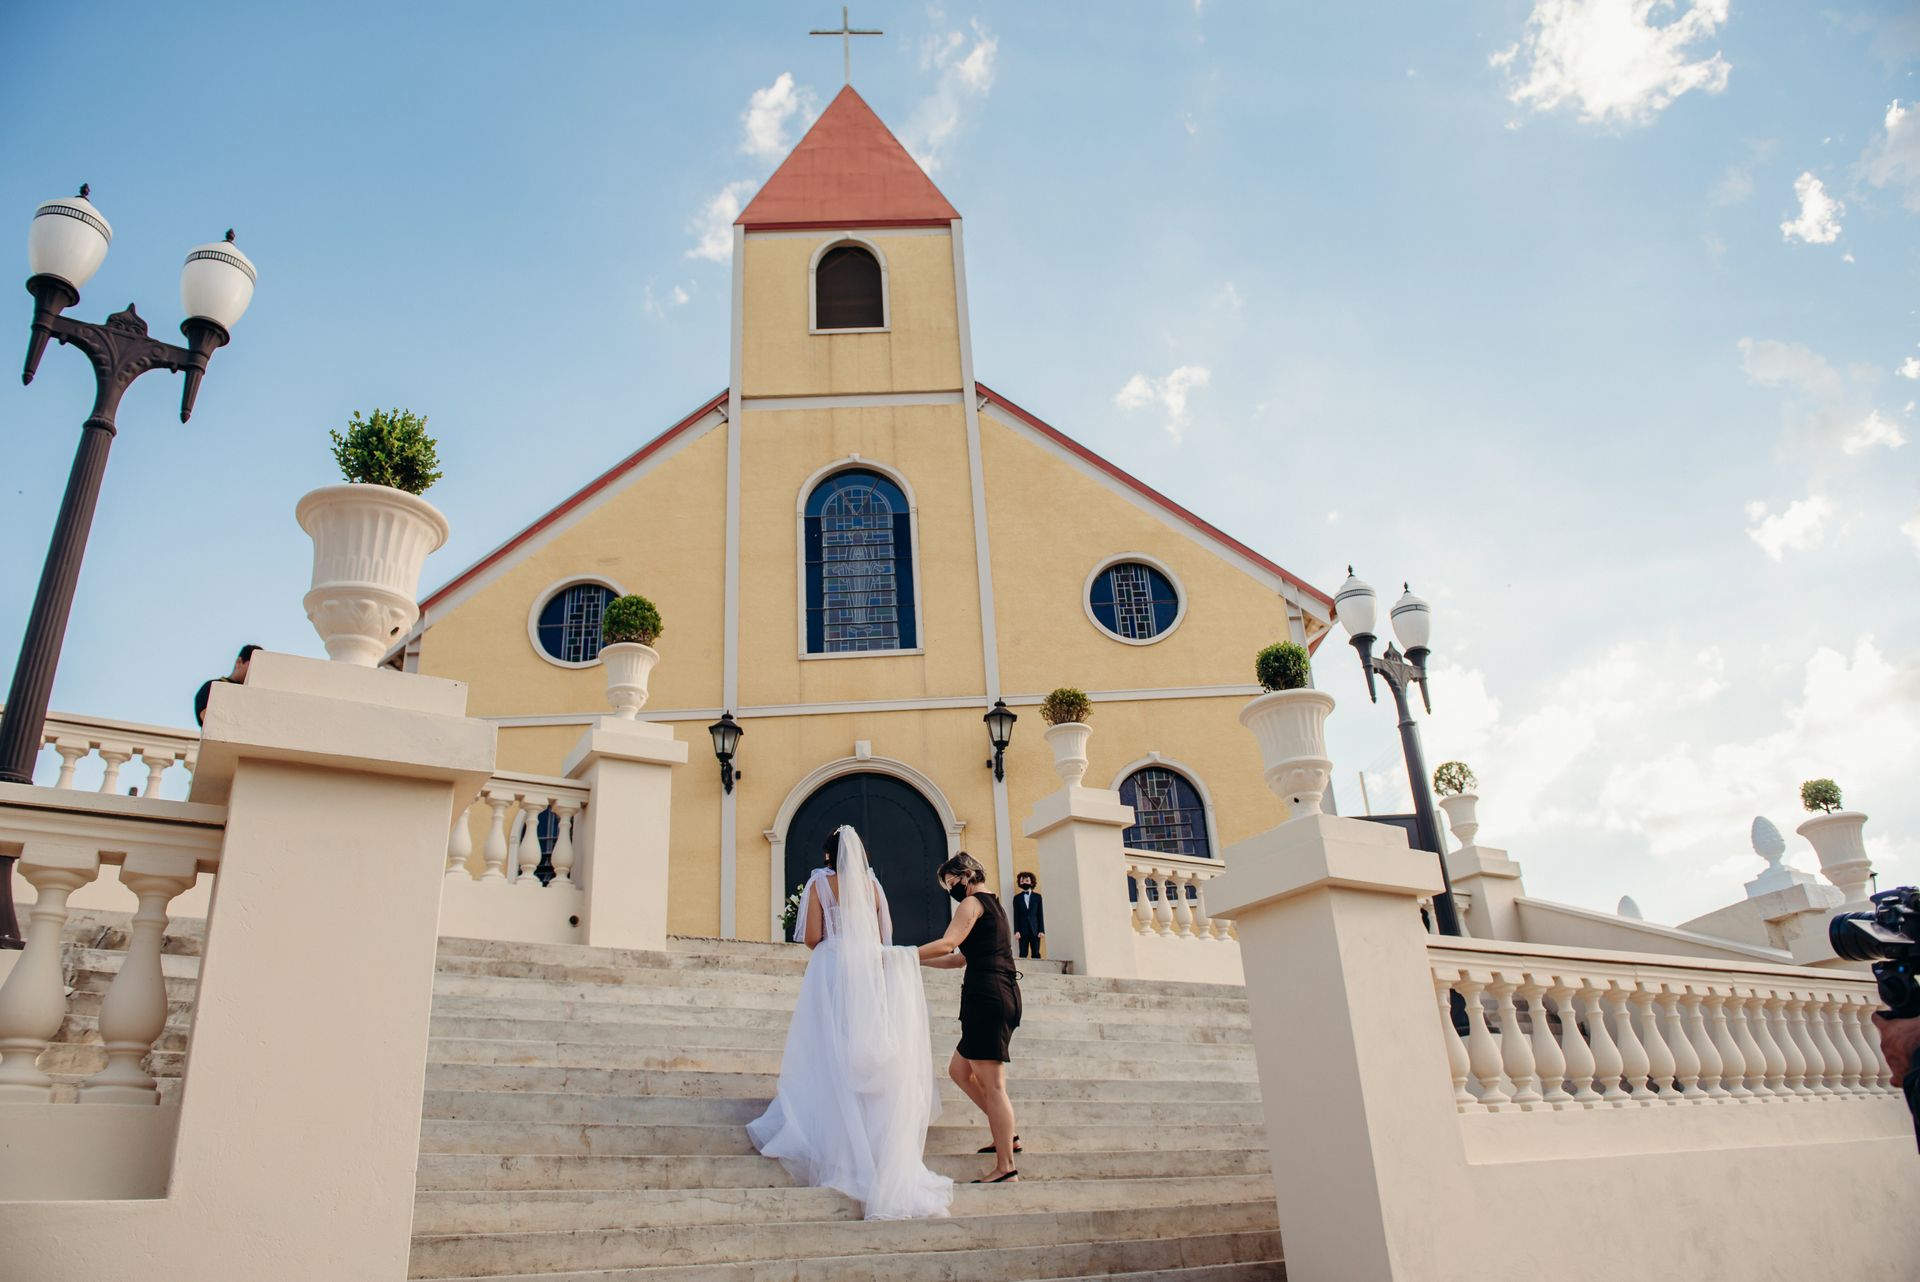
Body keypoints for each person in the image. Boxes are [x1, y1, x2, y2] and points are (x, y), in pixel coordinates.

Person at [746, 827, 952, 1220]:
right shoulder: (874, 887)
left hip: (832, 968)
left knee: (829, 1044)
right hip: (869, 968)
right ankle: (873, 1132)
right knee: (865, 1040)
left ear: (828, 856)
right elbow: (883, 935)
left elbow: (810, 937)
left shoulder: (819, 884)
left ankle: (835, 1129)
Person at [918, 852, 1021, 1184]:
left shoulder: (972, 903)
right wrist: (911, 961)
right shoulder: (993, 905)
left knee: (993, 1084)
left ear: (967, 875)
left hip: (988, 996)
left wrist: (900, 952)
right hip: (995, 993)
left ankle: (1006, 1167)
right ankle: (1006, 1134)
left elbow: (949, 944)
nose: (951, 889)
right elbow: (959, 959)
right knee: (959, 1070)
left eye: (951, 882)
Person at [194, 644, 261, 727]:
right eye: (254, 665)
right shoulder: (213, 686)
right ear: (239, 662)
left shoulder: (257, 695)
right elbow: (209, 719)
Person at [1012, 870, 1044, 959]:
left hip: (1035, 930)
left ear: (1031, 882)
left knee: (1036, 953)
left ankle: (1037, 971)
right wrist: (1016, 931)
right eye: (1022, 881)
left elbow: (1040, 914)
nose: (1024, 882)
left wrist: (1041, 930)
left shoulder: (1038, 897)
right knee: (1023, 953)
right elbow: (1016, 916)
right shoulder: (1017, 898)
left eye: (1026, 880)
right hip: (1022, 930)